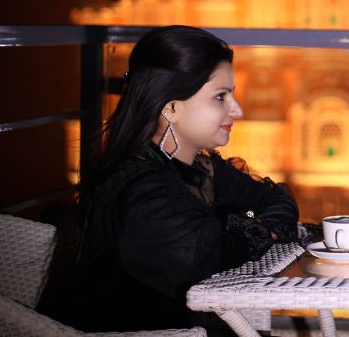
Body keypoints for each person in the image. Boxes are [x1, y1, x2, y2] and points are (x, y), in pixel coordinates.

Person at [49, 26, 302, 334]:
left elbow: (276, 200)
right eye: (220, 97)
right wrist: (263, 229)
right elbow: (207, 255)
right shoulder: (143, 192)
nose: (237, 109)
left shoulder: (199, 167)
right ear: (170, 108)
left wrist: (258, 230)